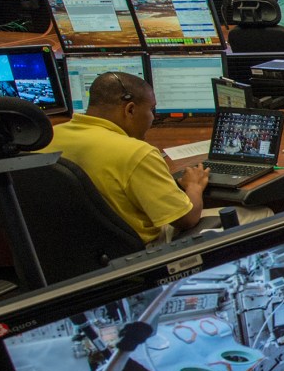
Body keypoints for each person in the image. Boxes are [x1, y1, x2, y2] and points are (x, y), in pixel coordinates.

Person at [42, 71, 208, 245]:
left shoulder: (50, 137)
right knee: (236, 214)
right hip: (135, 254)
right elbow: (187, 219)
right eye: (151, 110)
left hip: (67, 249)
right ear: (130, 110)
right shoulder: (137, 153)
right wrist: (194, 186)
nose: (152, 118)